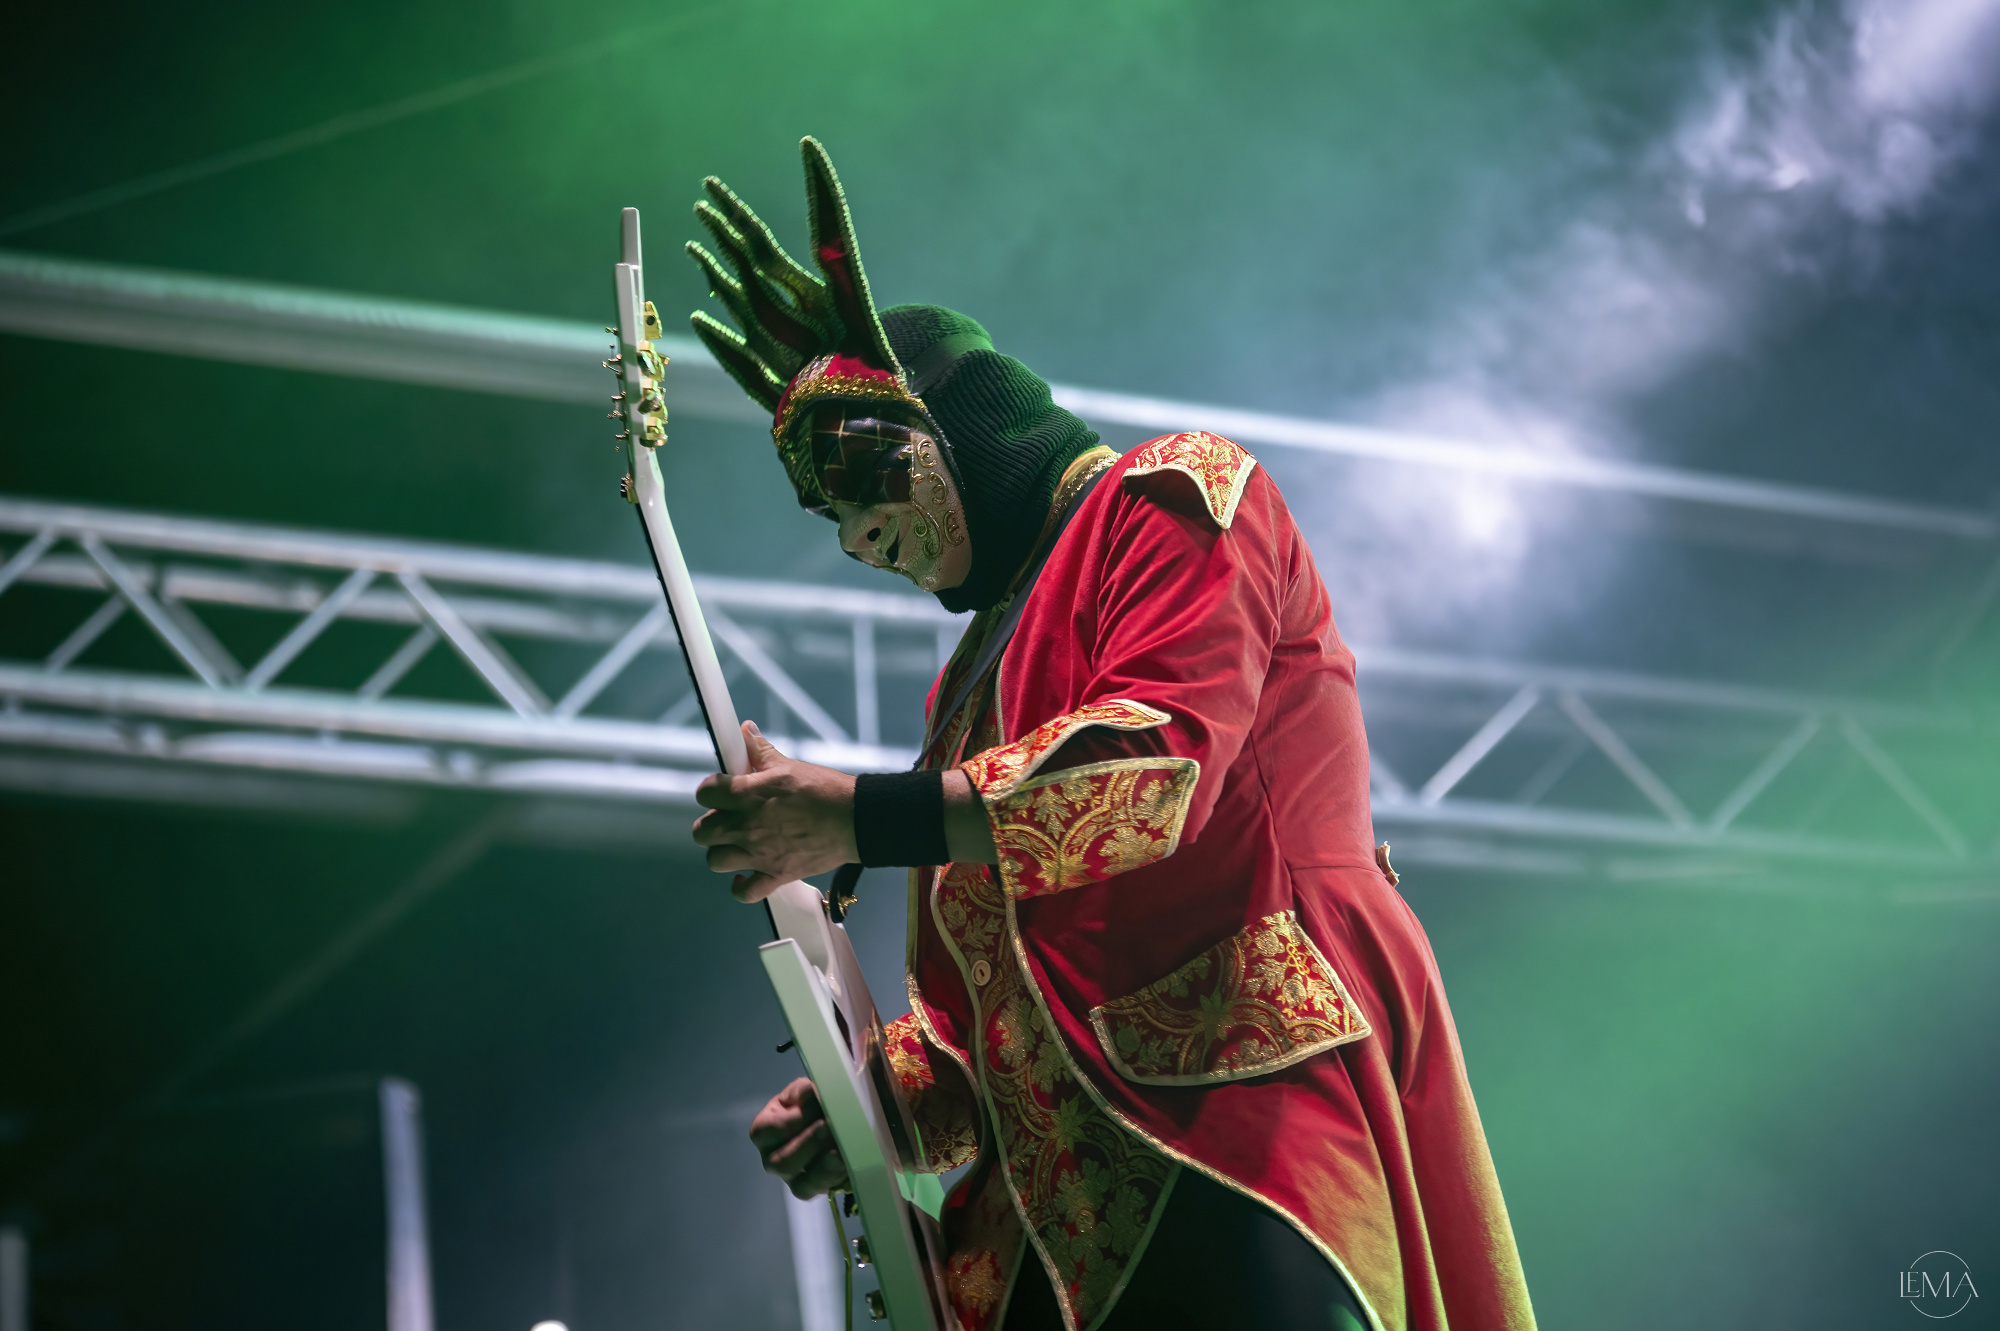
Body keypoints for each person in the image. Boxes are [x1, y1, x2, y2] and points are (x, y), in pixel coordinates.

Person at [685, 138, 1537, 1331]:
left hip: (1244, 1118)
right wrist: (869, 1101)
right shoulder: (964, 688)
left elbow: (1152, 768)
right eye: (831, 513)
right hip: (1058, 1214)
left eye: (866, 474)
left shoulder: (1173, 493)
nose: (855, 537)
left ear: (958, 421)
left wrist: (857, 813)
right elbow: (980, 1006)